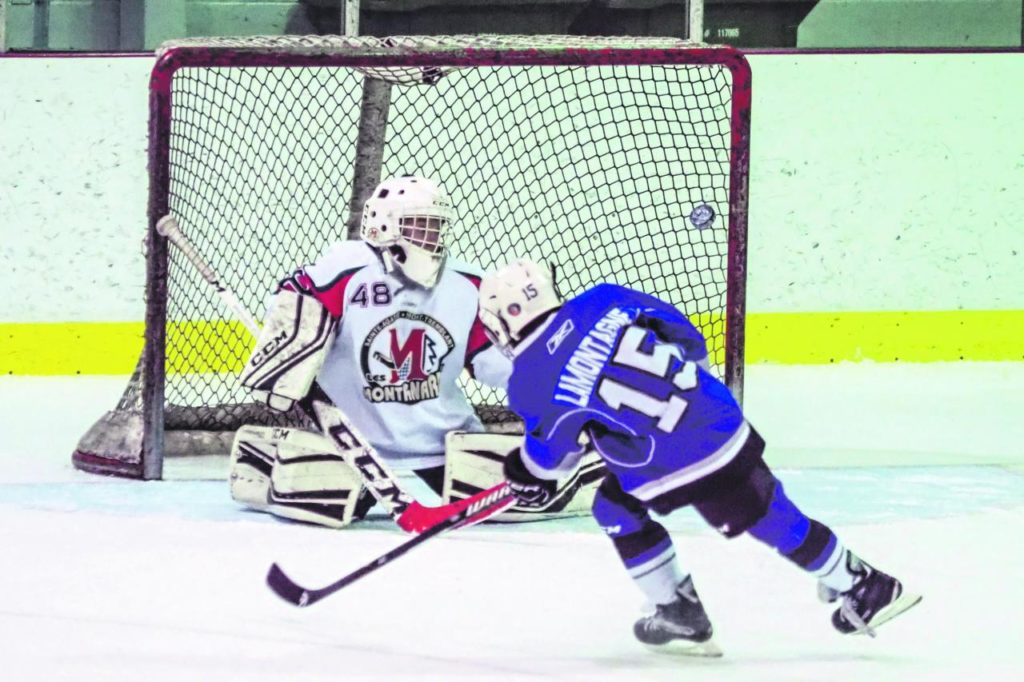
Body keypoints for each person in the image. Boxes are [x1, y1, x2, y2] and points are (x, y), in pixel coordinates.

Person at [477, 259, 921, 654]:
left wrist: (524, 471)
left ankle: (861, 584)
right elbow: (685, 336)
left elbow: (550, 462)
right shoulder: (605, 298)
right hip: (718, 414)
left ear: (500, 324)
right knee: (637, 503)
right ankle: (692, 609)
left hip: (671, 460)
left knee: (749, 518)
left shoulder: (529, 379)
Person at [231, 175, 512, 525]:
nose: (430, 236)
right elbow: (292, 304)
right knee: (326, 506)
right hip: (353, 444)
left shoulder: (468, 283)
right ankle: (269, 457)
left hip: (444, 441)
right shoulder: (344, 269)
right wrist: (285, 350)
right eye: (417, 224)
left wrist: (541, 383)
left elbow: (490, 359)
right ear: (383, 224)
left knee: (514, 502)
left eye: (435, 226)